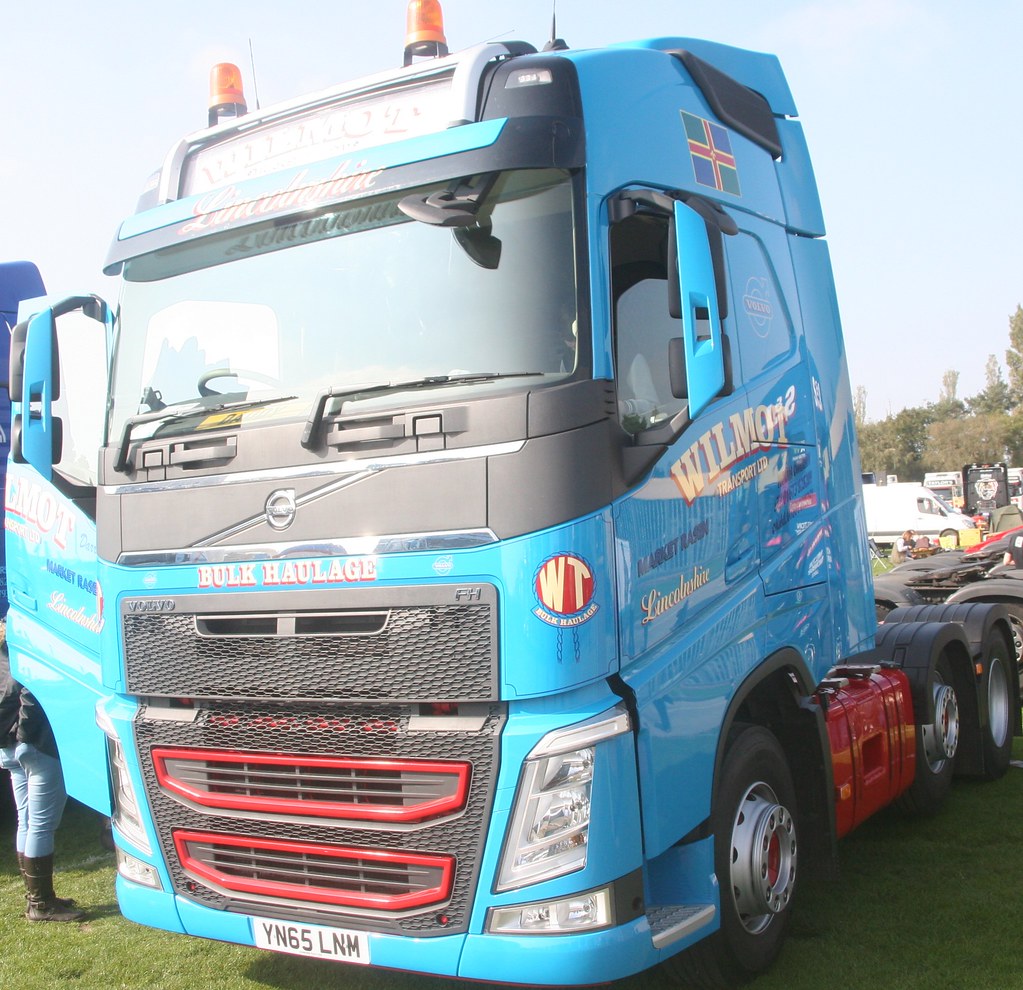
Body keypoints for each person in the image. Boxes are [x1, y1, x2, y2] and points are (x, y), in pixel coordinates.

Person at [0, 628, 84, 922]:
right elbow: (27, 695)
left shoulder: (4, 655)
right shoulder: (29, 649)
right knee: (40, 825)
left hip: (10, 747)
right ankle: (42, 904)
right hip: (34, 744)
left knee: (28, 822)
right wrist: (26, 737)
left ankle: (37, 899)